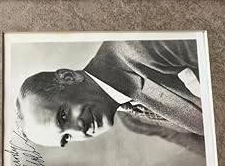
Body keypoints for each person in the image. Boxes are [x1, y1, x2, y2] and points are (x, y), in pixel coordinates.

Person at [15, 40, 205, 153]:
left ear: (68, 77)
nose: (79, 130)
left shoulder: (136, 47)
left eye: (63, 116)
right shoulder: (136, 123)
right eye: (66, 138)